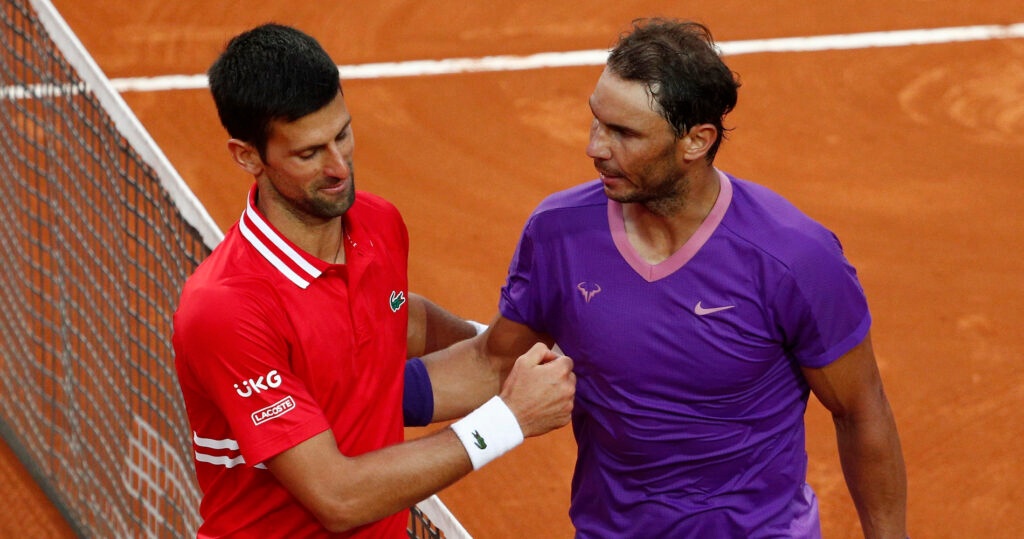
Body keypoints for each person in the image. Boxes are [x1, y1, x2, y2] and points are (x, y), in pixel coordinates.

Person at [437, 18, 907, 538]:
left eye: (624, 133)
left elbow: (861, 410)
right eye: (597, 121)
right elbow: (493, 363)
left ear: (695, 142)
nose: (595, 147)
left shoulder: (793, 257)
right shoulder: (558, 233)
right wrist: (354, 399)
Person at [172, 23, 575, 538]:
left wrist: (514, 351)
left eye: (342, 134)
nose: (339, 167)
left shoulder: (378, 225)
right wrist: (508, 420)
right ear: (247, 156)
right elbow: (337, 497)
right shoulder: (227, 308)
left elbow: (397, 323)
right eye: (309, 153)